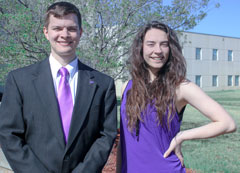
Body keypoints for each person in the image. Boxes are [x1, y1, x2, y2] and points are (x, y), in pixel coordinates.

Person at [0, 2, 117, 173]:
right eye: (57, 28)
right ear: (46, 32)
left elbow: (106, 135)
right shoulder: (19, 80)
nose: (65, 34)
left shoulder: (103, 84)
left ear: (80, 32)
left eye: (71, 28)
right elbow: (9, 134)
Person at [117, 21, 237, 173]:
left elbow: (227, 123)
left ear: (171, 49)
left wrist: (181, 136)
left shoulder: (180, 87)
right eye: (151, 44)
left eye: (164, 44)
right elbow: (124, 141)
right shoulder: (127, 87)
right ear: (140, 48)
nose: (158, 50)